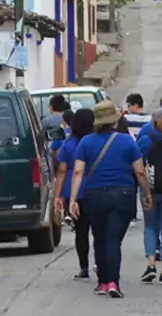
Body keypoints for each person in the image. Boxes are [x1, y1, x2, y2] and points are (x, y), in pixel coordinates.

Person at [69, 100, 147, 297]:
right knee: (113, 239)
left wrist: (73, 199)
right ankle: (113, 282)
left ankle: (103, 282)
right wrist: (146, 193)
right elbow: (139, 172)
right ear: (114, 121)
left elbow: (78, 172)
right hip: (122, 195)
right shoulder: (127, 141)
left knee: (100, 237)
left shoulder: (86, 142)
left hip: (94, 196)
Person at [136, 108, 162, 284]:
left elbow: (139, 165)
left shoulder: (146, 140)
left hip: (150, 191)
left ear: (153, 122)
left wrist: (144, 190)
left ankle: (151, 264)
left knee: (150, 226)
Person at [56, 107, 95, 279]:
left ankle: (84, 267)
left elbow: (62, 170)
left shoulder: (69, 144)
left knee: (81, 232)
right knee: (99, 231)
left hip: (76, 192)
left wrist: (58, 195)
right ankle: (100, 263)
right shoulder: (95, 141)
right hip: (95, 189)